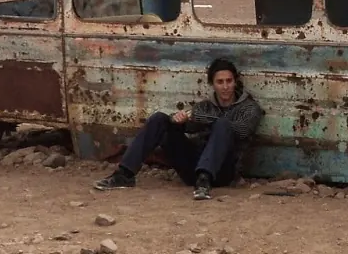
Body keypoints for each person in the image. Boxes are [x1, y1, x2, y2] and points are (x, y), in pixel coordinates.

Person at [93, 58, 263, 199]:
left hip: (223, 171)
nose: (225, 86)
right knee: (160, 119)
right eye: (220, 82)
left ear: (235, 82)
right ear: (212, 84)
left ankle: (204, 182)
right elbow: (190, 125)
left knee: (224, 124)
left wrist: (203, 119)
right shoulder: (205, 106)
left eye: (229, 81)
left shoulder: (249, 108)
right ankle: (124, 174)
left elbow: (242, 131)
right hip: (192, 169)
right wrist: (178, 120)